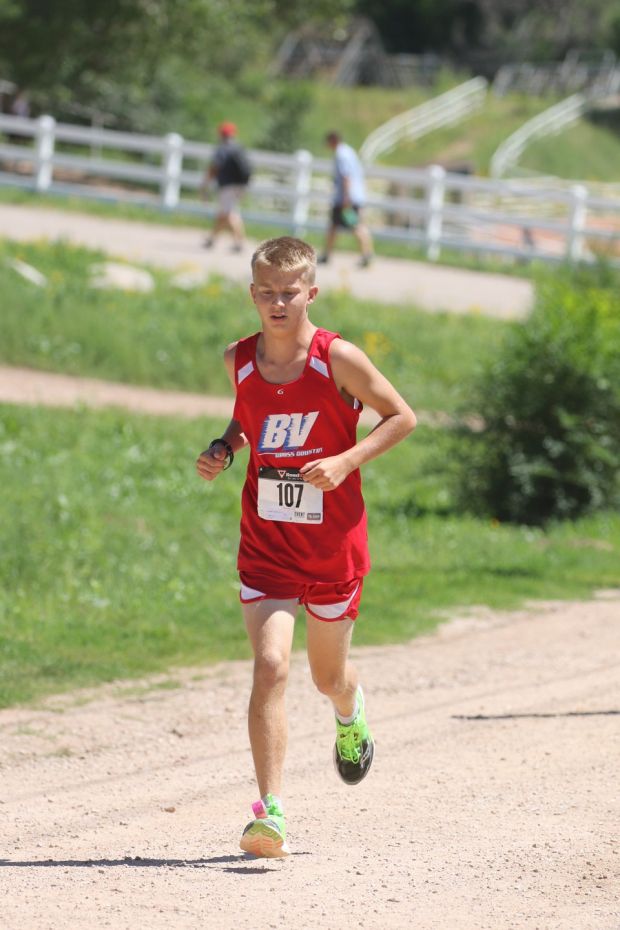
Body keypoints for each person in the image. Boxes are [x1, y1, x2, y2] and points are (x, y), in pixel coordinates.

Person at [196, 236, 415, 858]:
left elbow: (402, 416)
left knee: (327, 678)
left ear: (311, 292)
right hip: (266, 544)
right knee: (270, 667)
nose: (278, 302)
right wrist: (225, 447)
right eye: (266, 291)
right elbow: (249, 418)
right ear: (253, 294)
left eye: (289, 291)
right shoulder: (240, 359)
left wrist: (346, 460)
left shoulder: (336, 359)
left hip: (332, 549)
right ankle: (271, 814)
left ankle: (350, 710)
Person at [319, 131, 374, 268]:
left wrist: (346, 197)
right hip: (352, 195)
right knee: (335, 225)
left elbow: (346, 176)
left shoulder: (341, 155)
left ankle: (366, 253)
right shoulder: (349, 151)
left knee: (355, 225)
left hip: (346, 197)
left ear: (332, 141)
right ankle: (327, 253)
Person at [202, 122, 252, 252]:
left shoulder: (222, 149)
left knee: (229, 214)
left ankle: (239, 243)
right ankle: (212, 239)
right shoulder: (239, 148)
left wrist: (205, 184)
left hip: (227, 185)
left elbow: (215, 167)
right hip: (241, 185)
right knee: (224, 213)